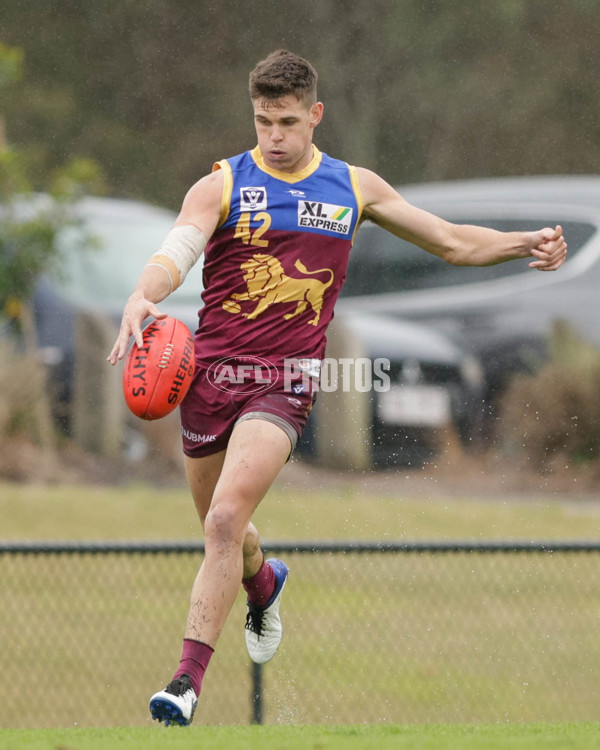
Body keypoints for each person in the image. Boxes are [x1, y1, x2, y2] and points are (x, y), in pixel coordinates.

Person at [107, 49, 567, 726]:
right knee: (221, 527)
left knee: (227, 517)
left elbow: (450, 241)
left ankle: (184, 683)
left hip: (285, 384)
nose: (274, 135)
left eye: (288, 121)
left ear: (315, 115)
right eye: (263, 121)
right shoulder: (222, 184)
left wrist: (523, 242)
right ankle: (264, 583)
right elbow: (176, 252)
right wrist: (141, 296)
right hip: (211, 378)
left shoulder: (354, 187)